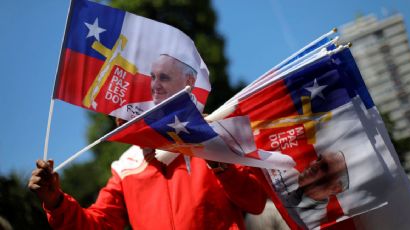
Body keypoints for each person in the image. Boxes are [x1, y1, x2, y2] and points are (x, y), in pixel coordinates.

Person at [28, 54, 267, 229]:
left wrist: (218, 162)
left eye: (127, 109)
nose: (118, 120)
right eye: (115, 113)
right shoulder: (125, 168)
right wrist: (56, 202)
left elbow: (255, 202)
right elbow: (99, 225)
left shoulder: (210, 137)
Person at [268, 151, 349, 229]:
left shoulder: (310, 223)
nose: (313, 164)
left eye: (324, 167)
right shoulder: (287, 170)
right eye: (318, 159)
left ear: (335, 188)